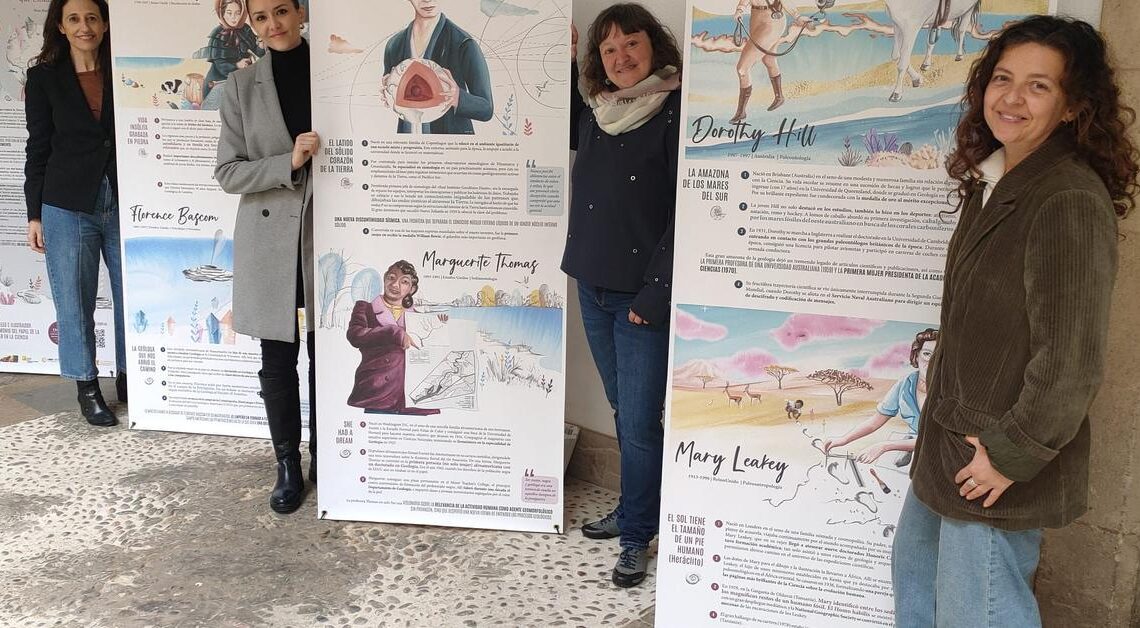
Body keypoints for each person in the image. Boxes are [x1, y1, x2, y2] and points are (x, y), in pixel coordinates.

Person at [892, 16, 1138, 627]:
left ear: (1073, 106)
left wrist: (1009, 455)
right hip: (951, 445)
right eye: (1003, 79)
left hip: (992, 460)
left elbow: (1071, 360)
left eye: (1038, 86)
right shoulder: (998, 179)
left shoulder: (1065, 197)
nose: (1012, 98)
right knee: (919, 596)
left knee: (978, 613)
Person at [563, 3, 681, 588]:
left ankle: (637, 535)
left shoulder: (676, 113)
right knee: (622, 409)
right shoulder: (597, 111)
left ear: (653, 46)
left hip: (640, 299)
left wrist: (653, 296)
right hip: (592, 284)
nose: (620, 57)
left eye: (631, 43)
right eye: (608, 49)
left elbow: (686, 214)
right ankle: (634, 510)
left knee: (637, 424)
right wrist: (564, 56)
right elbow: (556, 117)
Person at [214, 0, 318, 515]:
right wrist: (288, 162)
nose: (273, 24)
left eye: (281, 10)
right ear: (252, 25)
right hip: (271, 238)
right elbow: (228, 172)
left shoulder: (337, 73)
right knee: (277, 359)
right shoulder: (240, 86)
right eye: (261, 17)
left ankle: (329, 457)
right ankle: (287, 466)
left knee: (327, 353)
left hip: (327, 235)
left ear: (300, 11)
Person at [24, 0, 125, 427]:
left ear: (104, 24)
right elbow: (37, 147)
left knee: (132, 294)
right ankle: (87, 386)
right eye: (74, 19)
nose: (85, 26)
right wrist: (34, 214)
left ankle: (132, 379)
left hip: (125, 199)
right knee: (74, 300)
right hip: (66, 203)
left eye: (92, 18)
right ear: (61, 27)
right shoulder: (43, 78)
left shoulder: (122, 70)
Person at [823, 328, 938, 466]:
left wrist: (885, 446)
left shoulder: (950, 389)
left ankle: (908, 446)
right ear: (917, 356)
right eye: (927, 354)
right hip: (917, 440)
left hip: (940, 447)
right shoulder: (906, 383)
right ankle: (908, 445)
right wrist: (844, 439)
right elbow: (875, 421)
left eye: (938, 356)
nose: (931, 362)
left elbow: (938, 438)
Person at [382, 0, 492, 134]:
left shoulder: (463, 43)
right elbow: (395, 97)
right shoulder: (394, 45)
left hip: (451, 142)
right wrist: (388, 93)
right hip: (408, 141)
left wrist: (457, 97)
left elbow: (486, 109)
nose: (427, 0)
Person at [346, 261, 440, 416]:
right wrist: (393, 332)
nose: (395, 284)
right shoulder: (365, 308)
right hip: (377, 392)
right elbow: (355, 335)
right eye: (391, 278)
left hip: (412, 396)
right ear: (384, 279)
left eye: (404, 282)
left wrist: (440, 327)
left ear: (412, 289)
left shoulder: (419, 318)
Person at [729, 0, 810, 120]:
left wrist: (797, 16)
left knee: (742, 68)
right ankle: (779, 97)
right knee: (768, 59)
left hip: (772, 20)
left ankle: (741, 112)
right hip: (756, 18)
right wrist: (740, 9)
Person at [198, 0, 264, 101]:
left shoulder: (245, 29)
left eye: (237, 13)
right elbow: (221, 66)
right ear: (222, 13)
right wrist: (237, 65)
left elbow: (259, 53)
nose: (234, 17)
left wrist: (261, 44)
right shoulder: (217, 34)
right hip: (218, 82)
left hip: (241, 78)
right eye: (229, 13)